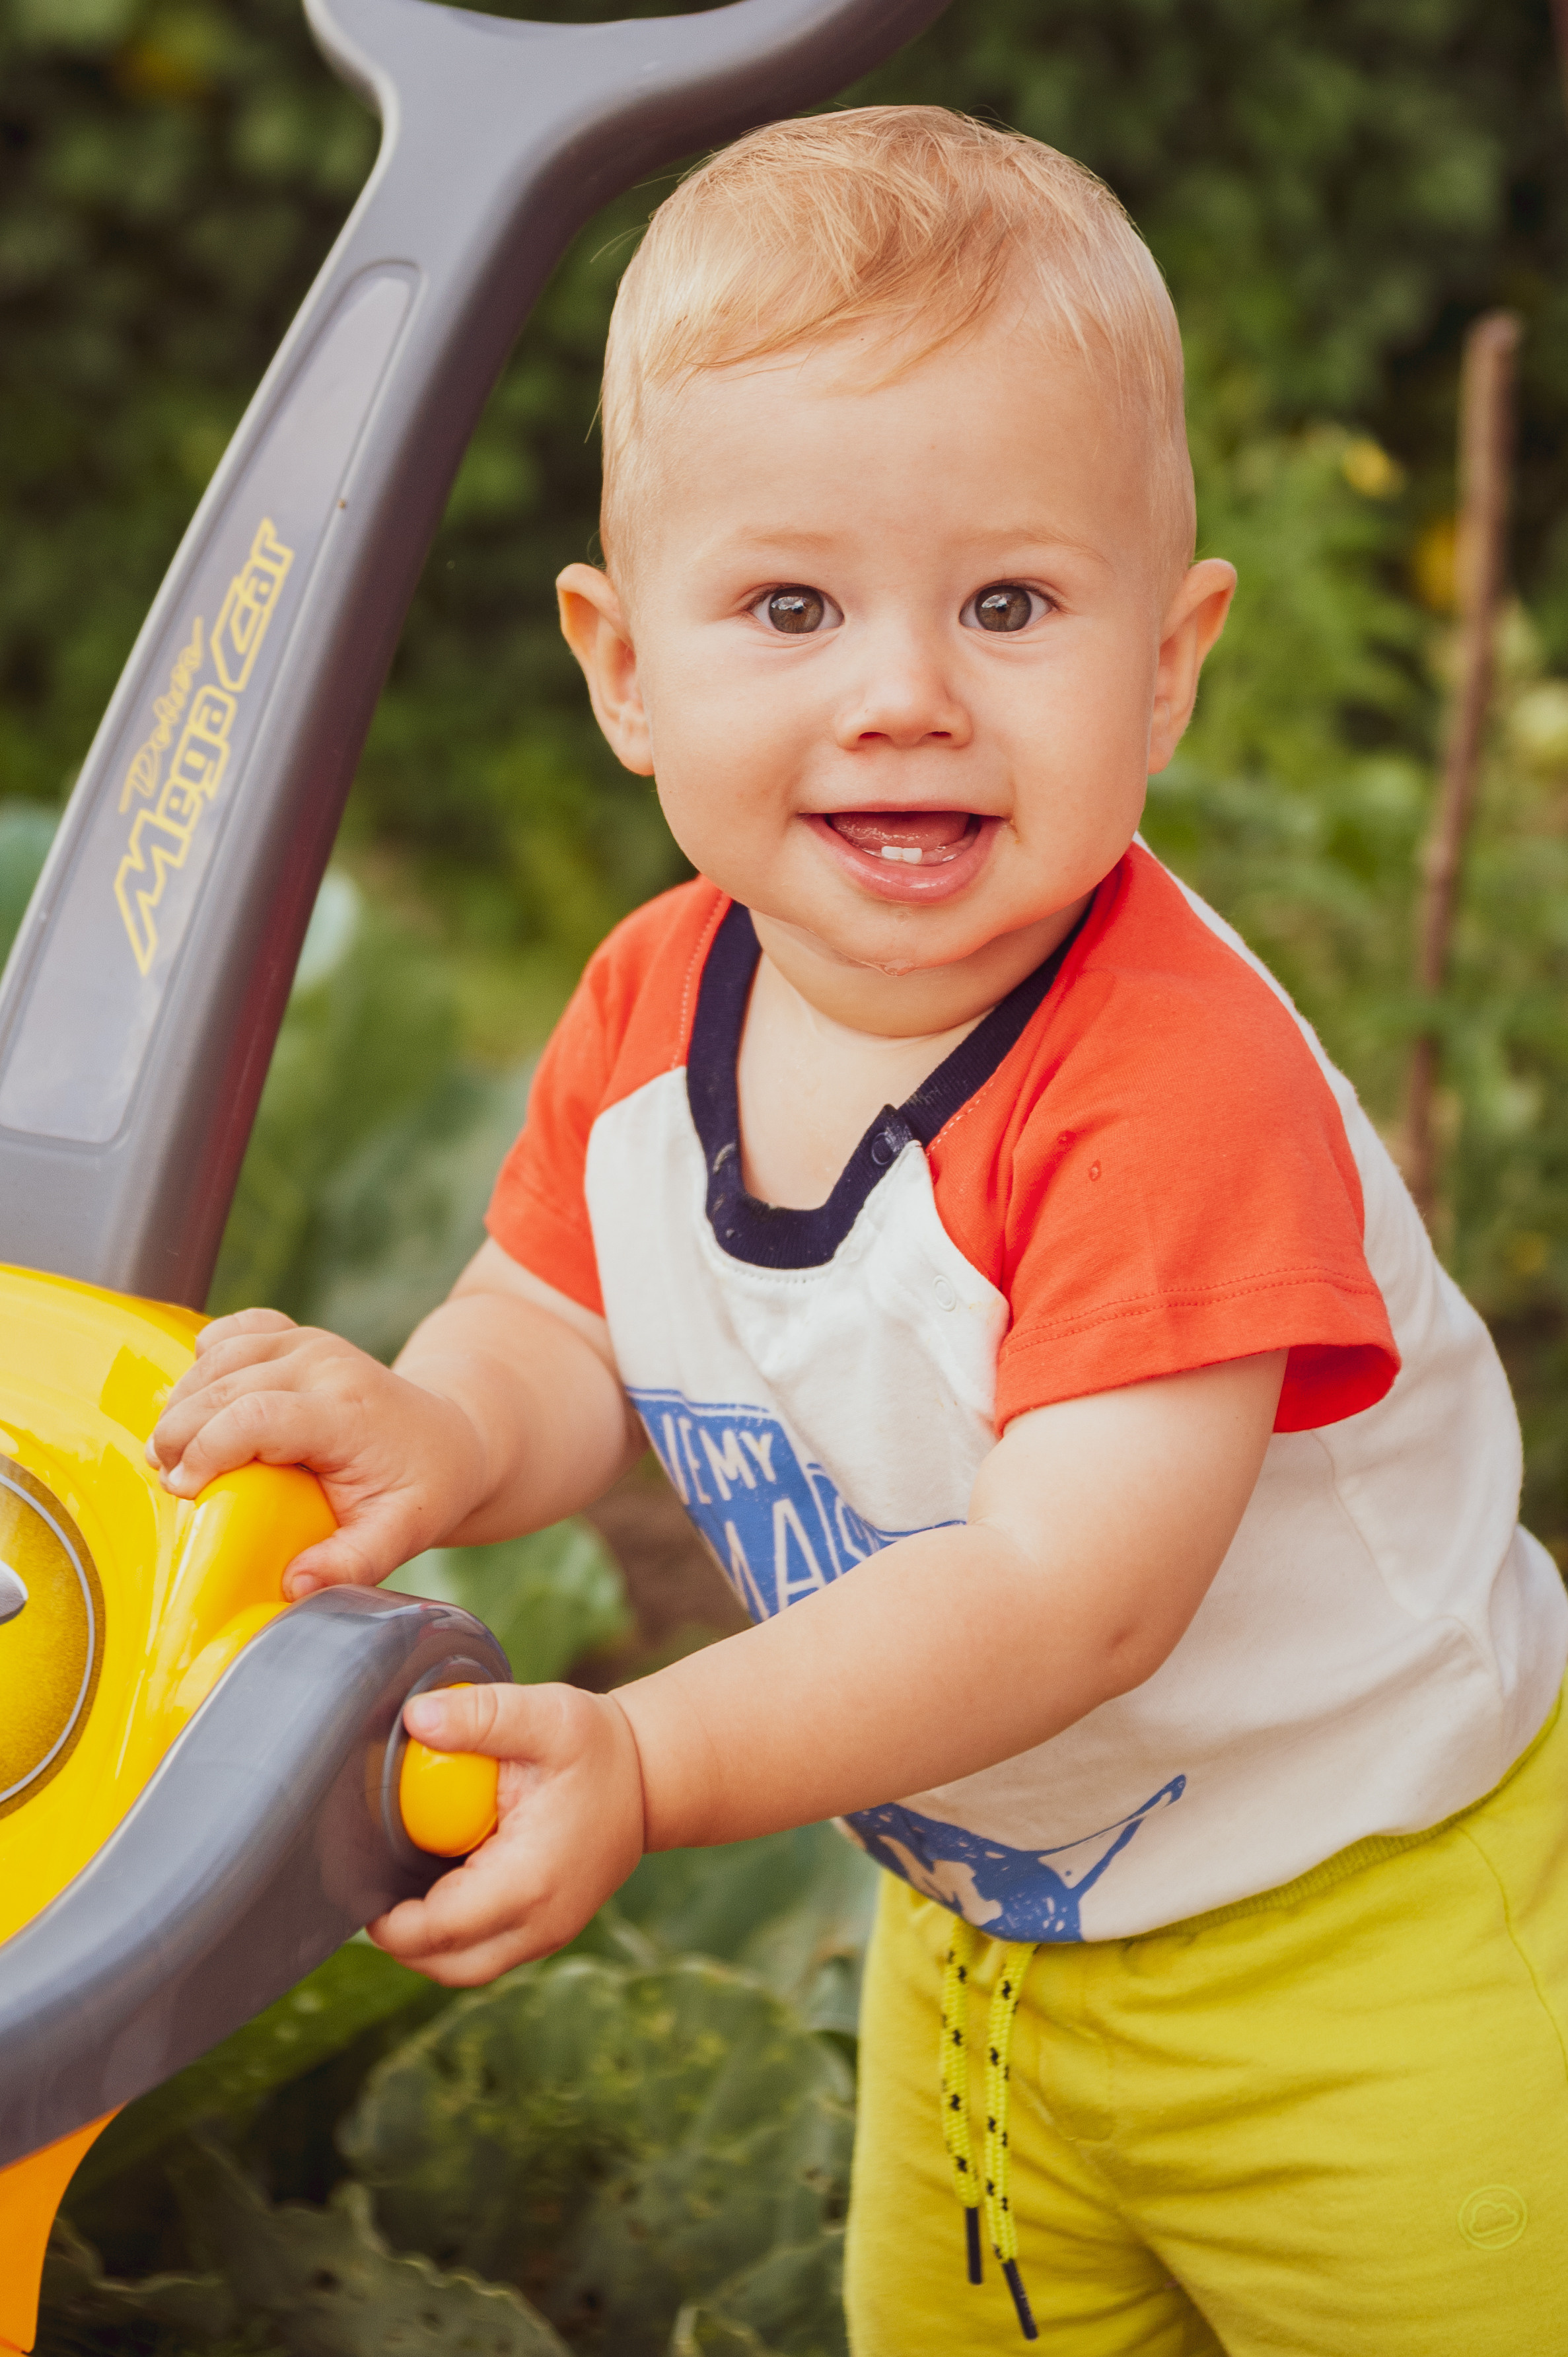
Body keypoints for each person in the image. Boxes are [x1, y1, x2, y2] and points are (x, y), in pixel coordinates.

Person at [149, 107, 1568, 2354]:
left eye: (1009, 606)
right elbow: (555, 1315)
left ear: (1169, 660)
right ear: (625, 667)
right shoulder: (655, 1002)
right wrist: (445, 1425)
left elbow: (1071, 1595)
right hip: (986, 1941)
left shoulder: (1168, 1087)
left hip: (1363, 1955)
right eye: (793, 607)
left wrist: (650, 1759)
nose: (905, 694)